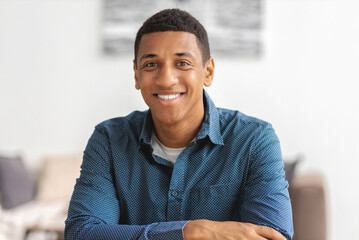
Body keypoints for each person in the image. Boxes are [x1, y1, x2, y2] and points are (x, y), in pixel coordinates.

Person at [65, 8, 293, 240]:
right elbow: (82, 233)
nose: (166, 80)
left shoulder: (254, 140)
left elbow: (272, 237)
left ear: (208, 72)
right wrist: (190, 232)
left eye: (182, 63)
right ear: (136, 75)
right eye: (151, 65)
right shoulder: (109, 140)